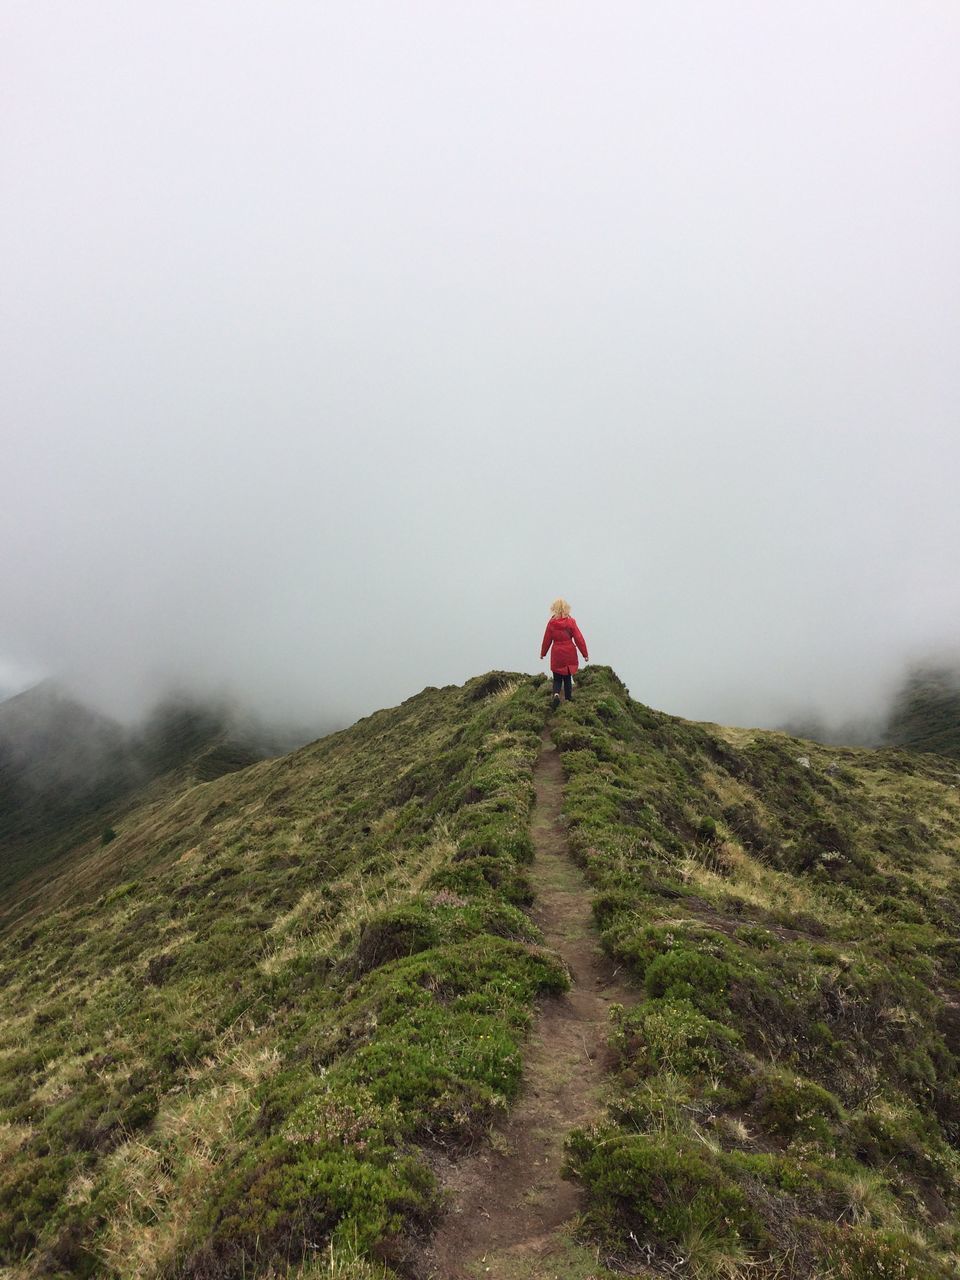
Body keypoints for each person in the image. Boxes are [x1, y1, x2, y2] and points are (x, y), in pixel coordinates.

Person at [540, 598, 588, 706]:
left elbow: (546, 639)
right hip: (569, 652)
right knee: (567, 677)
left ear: (554, 609)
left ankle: (556, 694)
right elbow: (579, 638)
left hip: (557, 652)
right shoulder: (571, 622)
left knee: (557, 678)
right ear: (567, 609)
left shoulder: (551, 623)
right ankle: (568, 699)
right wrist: (585, 654)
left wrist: (543, 653)